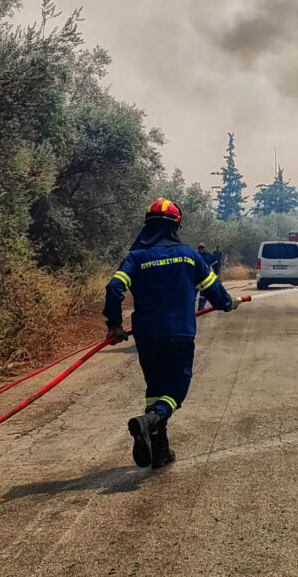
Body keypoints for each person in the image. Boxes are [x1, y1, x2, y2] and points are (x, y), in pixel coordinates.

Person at [104, 199, 241, 469]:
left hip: (147, 337)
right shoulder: (190, 255)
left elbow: (114, 287)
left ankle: (160, 452)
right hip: (178, 334)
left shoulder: (136, 257)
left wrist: (114, 325)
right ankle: (151, 420)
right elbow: (215, 292)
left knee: (155, 389)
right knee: (176, 389)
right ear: (175, 226)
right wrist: (228, 303)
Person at [196, 243, 219, 310]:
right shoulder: (195, 255)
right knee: (192, 293)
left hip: (204, 277)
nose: (201, 249)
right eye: (199, 248)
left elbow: (215, 264)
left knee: (203, 293)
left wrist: (216, 273)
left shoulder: (208, 256)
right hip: (195, 277)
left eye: (202, 248)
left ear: (204, 248)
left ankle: (201, 306)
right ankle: (189, 308)